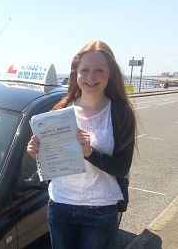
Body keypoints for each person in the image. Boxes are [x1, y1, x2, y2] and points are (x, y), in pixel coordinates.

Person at [27, 41, 136, 249]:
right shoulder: (61, 110)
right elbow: (51, 162)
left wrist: (89, 152)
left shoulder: (121, 112)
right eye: (84, 70)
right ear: (76, 72)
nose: (90, 77)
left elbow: (122, 167)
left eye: (99, 71)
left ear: (110, 74)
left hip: (101, 210)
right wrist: (37, 152)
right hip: (59, 205)